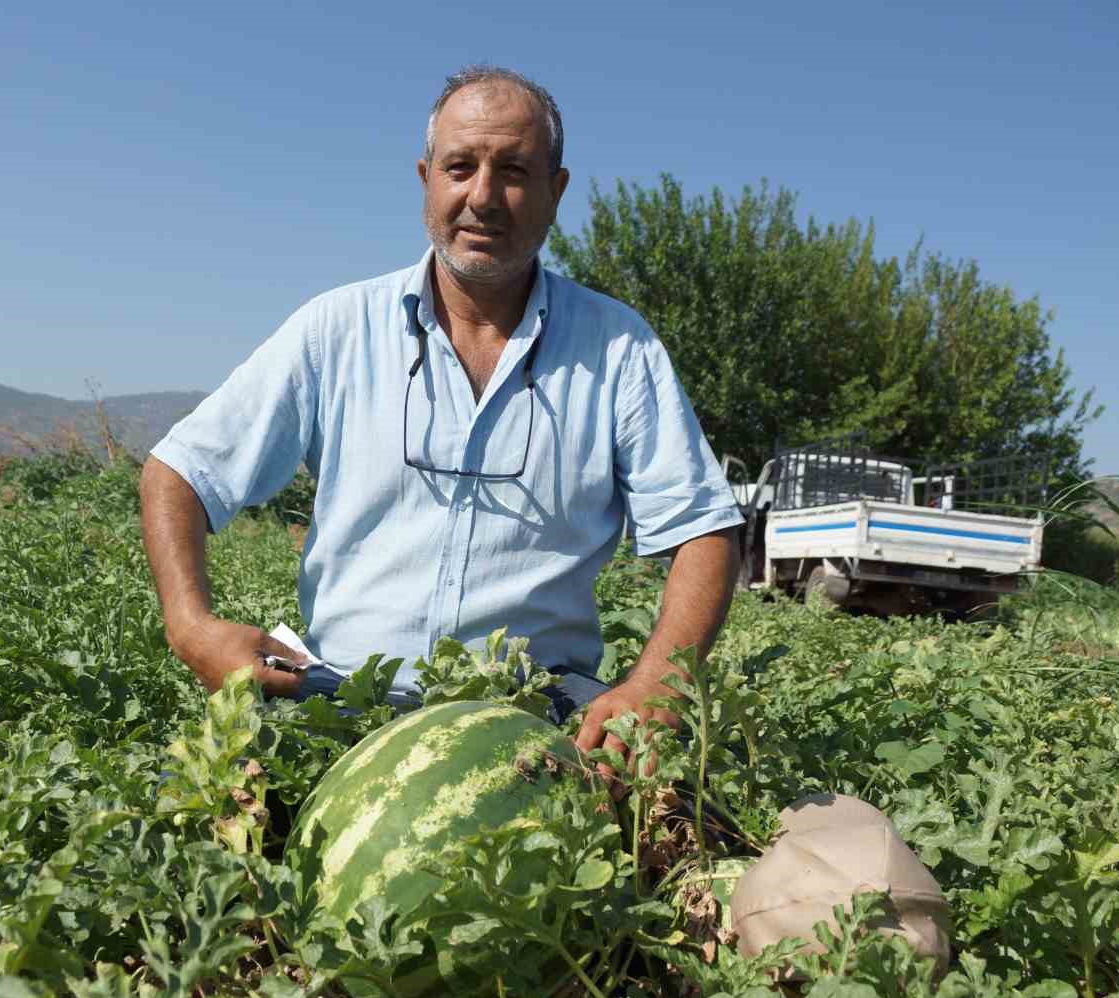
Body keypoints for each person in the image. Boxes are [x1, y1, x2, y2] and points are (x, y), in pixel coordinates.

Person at [139, 65, 741, 784]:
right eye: (461, 167)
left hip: (537, 726)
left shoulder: (619, 347)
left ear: (557, 189)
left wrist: (655, 683)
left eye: (514, 170)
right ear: (427, 178)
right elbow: (181, 472)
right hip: (341, 708)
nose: (483, 196)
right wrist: (190, 624)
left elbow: (705, 529)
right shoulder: (337, 329)